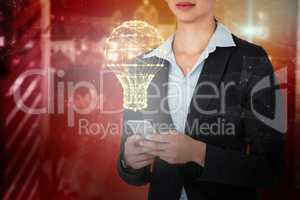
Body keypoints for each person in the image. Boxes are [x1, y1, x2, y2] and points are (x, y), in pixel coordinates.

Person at [117, 0, 284, 200]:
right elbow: (129, 168)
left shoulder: (251, 59)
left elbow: (270, 170)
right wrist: (130, 161)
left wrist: (200, 153)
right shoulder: (143, 64)